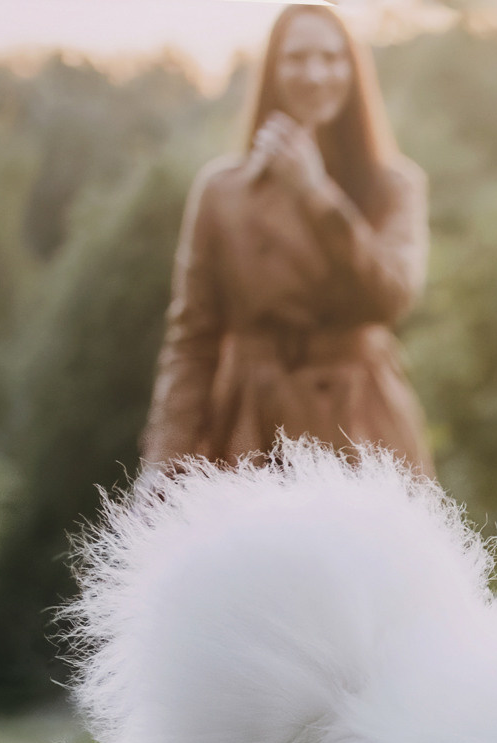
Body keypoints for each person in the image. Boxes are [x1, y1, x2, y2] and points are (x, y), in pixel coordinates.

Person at [141, 4, 431, 472]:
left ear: (353, 71)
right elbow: (193, 341)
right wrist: (162, 463)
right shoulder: (222, 191)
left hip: (363, 429)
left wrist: (317, 195)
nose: (315, 75)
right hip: (253, 430)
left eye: (331, 58)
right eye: (296, 58)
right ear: (272, 72)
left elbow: (391, 297)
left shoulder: (395, 185)